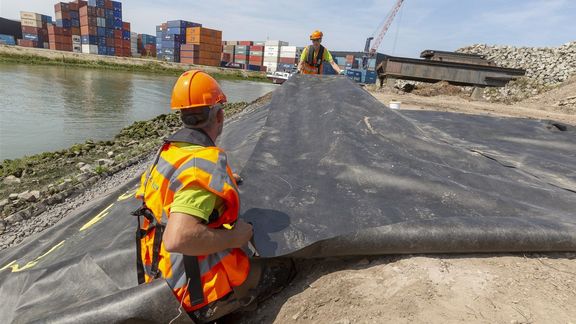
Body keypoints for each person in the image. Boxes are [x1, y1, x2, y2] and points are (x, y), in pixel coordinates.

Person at [133, 70, 293, 323]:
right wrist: (235, 237)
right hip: (194, 292)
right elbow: (178, 238)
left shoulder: (169, 151)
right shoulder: (201, 164)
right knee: (284, 270)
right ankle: (224, 304)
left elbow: (180, 186)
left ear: (183, 116)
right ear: (219, 115)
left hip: (159, 275)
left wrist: (225, 178)